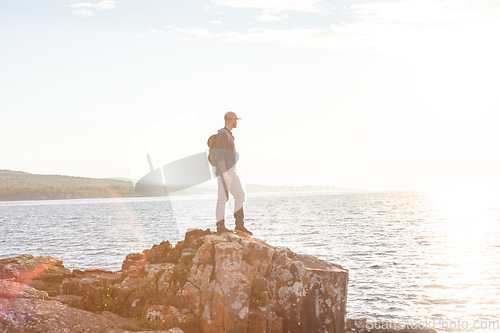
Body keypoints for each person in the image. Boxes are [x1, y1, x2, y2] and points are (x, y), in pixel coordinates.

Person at [214, 111, 253, 235]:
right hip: (225, 172)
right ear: (230, 119)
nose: (236, 122)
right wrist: (224, 173)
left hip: (233, 171)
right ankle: (220, 227)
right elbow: (219, 155)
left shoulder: (230, 135)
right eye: (235, 119)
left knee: (240, 195)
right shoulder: (222, 134)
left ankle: (239, 226)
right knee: (222, 198)